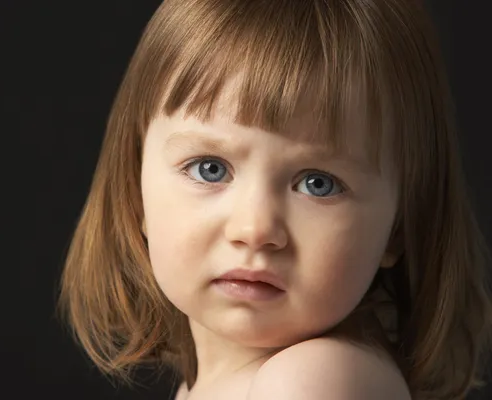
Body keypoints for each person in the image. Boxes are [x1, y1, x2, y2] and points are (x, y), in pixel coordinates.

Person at [57, 0, 492, 398]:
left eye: (318, 183)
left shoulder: (312, 381)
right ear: (136, 192)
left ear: (400, 226)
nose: (255, 229)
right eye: (210, 168)